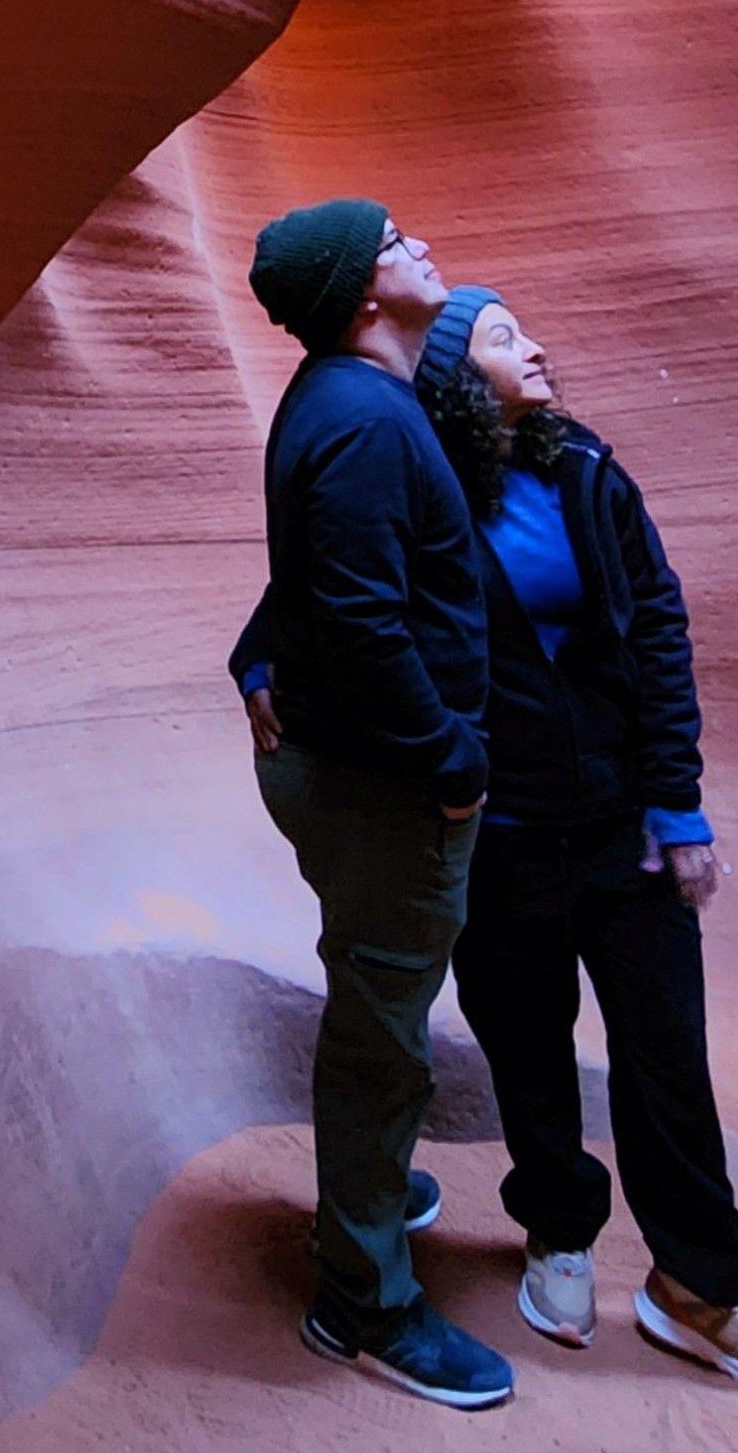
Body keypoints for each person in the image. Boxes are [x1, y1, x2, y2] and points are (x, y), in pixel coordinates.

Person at [242, 284, 738, 1414]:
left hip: (623, 827)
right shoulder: (418, 482)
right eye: (508, 337)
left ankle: (702, 1287)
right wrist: (256, 662)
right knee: (527, 1046)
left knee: (665, 1050)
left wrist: (679, 808)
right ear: (461, 374)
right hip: (496, 832)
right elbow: (323, 583)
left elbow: (656, 624)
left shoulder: (588, 474)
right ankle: (558, 1229)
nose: (541, 345)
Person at [234, 202, 515, 1411]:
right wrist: (450, 762)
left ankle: (373, 1191)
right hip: (386, 789)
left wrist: (251, 660)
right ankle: (363, 1296)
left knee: (374, 1004)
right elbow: (356, 617)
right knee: (381, 1039)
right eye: (394, 240)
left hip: (359, 773)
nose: (419, 244)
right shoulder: (358, 420)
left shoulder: (349, 400)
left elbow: (308, 583)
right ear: (362, 295)